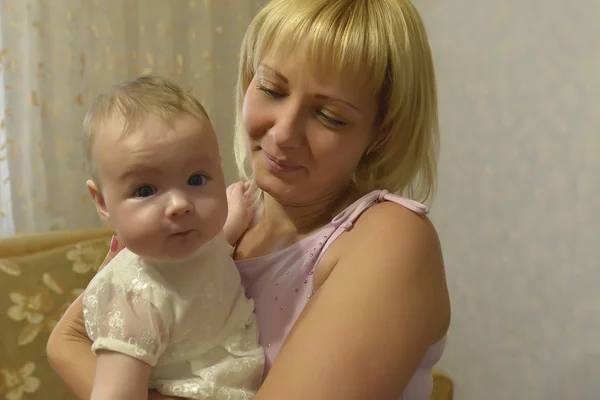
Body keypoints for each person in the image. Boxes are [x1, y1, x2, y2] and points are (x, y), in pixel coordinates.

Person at [47, 0, 451, 399]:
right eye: (272, 89)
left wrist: (87, 360)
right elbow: (67, 339)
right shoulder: (218, 213)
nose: (283, 133)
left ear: (382, 132)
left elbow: (71, 345)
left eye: (330, 116)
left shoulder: (388, 239)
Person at [79, 76, 264, 399]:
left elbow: (219, 243)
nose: (180, 204)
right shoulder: (135, 300)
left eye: (197, 179)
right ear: (102, 203)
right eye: (146, 190)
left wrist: (237, 212)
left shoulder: (198, 241)